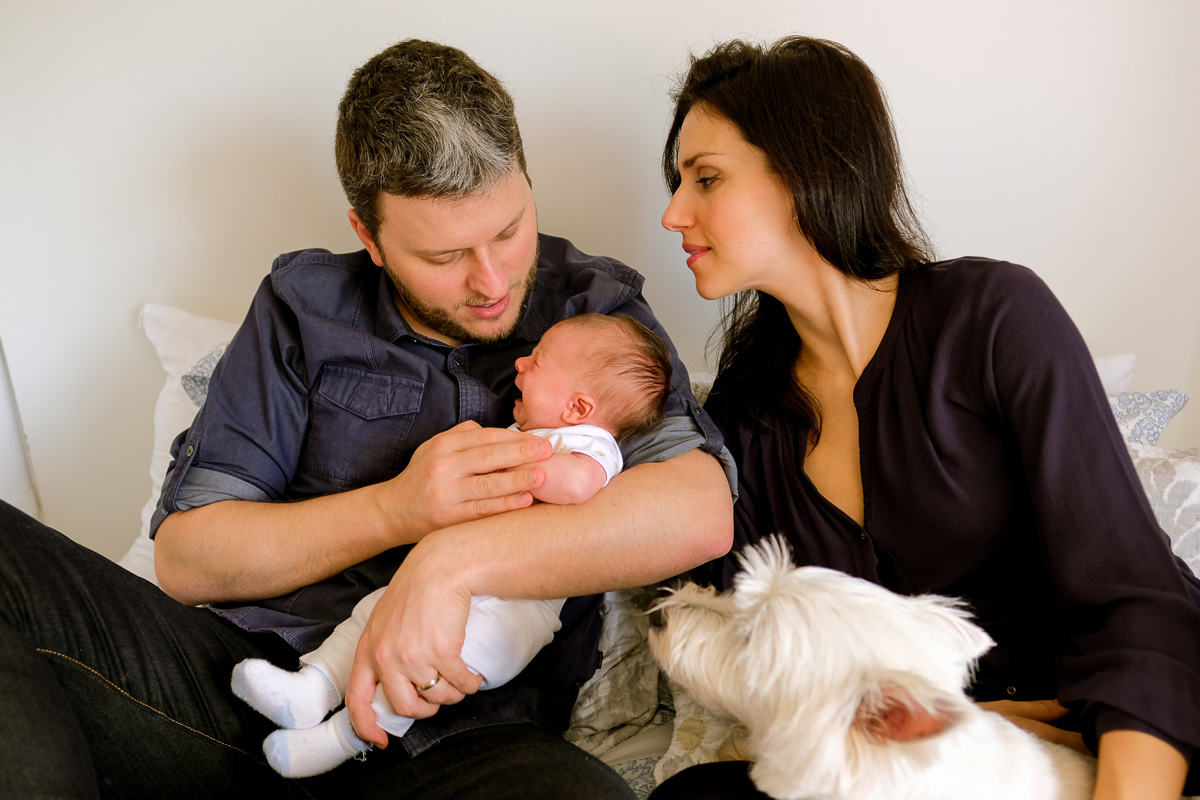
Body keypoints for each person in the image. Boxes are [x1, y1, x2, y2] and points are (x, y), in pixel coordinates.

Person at [0, 39, 734, 799]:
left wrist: (445, 567)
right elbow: (188, 558)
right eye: (445, 256)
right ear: (368, 236)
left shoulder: (595, 316)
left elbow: (698, 513)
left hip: (469, 740)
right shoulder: (303, 308)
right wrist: (399, 510)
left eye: (509, 231)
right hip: (236, 691)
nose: (490, 281)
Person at [649, 36, 1200, 800]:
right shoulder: (743, 421)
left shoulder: (995, 319)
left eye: (705, 179)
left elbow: (1134, 597)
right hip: (920, 766)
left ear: (809, 173)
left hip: (1119, 738)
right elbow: (759, 656)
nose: (674, 213)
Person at [230, 313, 673, 778]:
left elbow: (580, 485)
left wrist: (507, 467)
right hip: (449, 584)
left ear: (579, 408)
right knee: (374, 616)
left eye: (538, 361)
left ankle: (340, 739)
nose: (520, 364)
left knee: (429, 666)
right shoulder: (527, 434)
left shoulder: (591, 445)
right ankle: (311, 689)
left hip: (513, 610)